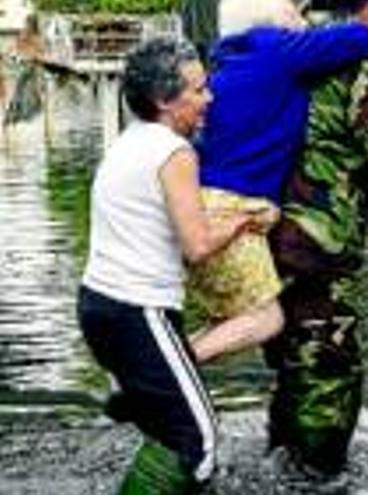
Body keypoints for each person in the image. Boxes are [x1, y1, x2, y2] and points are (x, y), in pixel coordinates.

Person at [77, 38, 269, 493]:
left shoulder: (131, 142)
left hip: (98, 307)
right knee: (197, 441)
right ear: (165, 100)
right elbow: (198, 245)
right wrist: (248, 220)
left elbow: (170, 225)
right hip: (137, 313)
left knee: (169, 434)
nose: (210, 99)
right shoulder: (174, 152)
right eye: (199, 90)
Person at [185, 0, 368, 365]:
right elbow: (360, 38)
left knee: (231, 321)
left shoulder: (228, 61)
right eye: (297, 12)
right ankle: (164, 372)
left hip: (204, 201)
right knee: (266, 319)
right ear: (276, 22)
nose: (305, 20)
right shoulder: (275, 50)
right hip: (234, 204)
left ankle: (156, 369)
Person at [265, 0, 368, 475]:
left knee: (291, 355)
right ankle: (317, 475)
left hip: (265, 233)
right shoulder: (362, 62)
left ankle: (280, 464)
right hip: (320, 240)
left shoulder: (290, 47)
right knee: (329, 363)